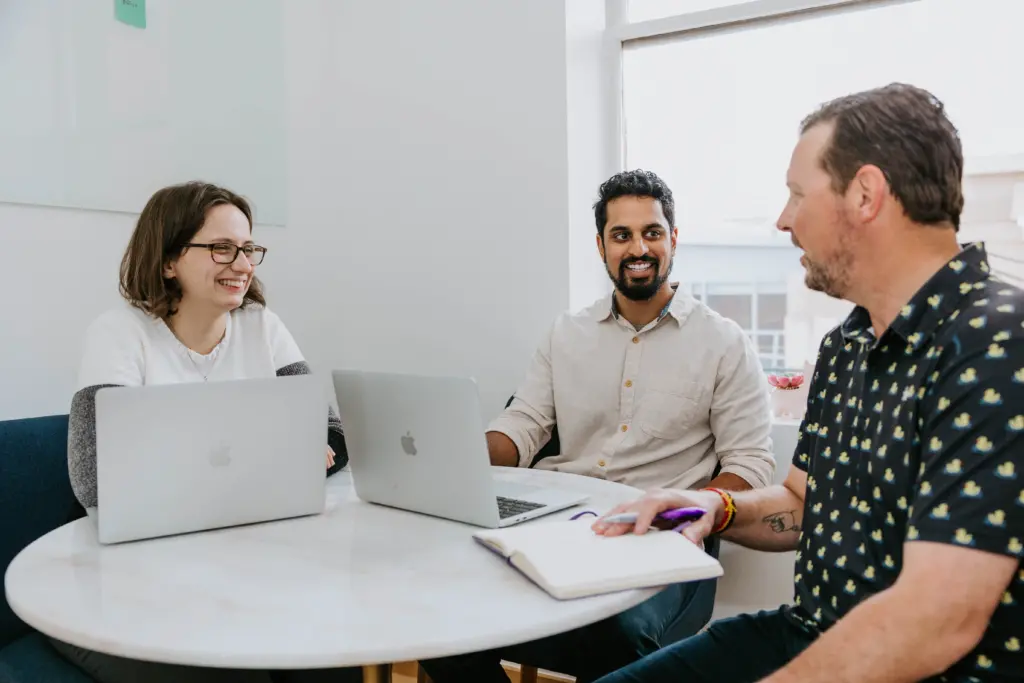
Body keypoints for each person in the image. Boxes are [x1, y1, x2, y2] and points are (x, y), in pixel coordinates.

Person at [590, 83, 1024, 683]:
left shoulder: (999, 340)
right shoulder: (846, 343)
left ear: (866, 194)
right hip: (809, 633)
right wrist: (713, 506)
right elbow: (800, 503)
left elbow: (936, 619)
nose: (783, 219)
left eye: (797, 194)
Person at [420, 170, 776, 683]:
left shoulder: (724, 342)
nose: (638, 248)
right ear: (601, 246)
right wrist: (460, 454)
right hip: (558, 525)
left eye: (651, 232)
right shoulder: (567, 334)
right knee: (444, 609)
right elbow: (523, 426)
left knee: (619, 636)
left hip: (658, 535)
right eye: (621, 235)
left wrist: (691, 514)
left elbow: (750, 463)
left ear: (673, 239)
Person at [54, 181, 359, 683]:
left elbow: (330, 435)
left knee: (329, 649)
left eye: (248, 249)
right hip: (130, 576)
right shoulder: (119, 334)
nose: (242, 264)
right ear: (169, 259)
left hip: (241, 562)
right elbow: (94, 479)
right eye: (221, 248)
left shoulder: (263, 326)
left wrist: (315, 449)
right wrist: (267, 467)